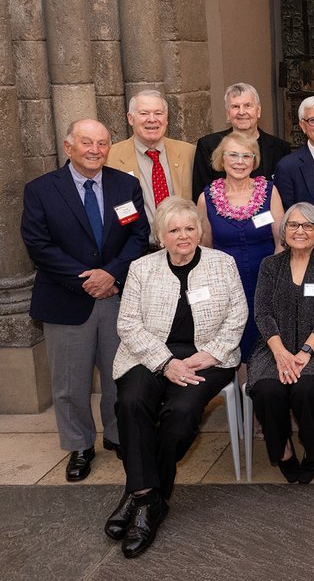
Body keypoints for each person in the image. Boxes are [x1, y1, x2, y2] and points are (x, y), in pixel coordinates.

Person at [107, 196, 246, 558]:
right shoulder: (142, 268)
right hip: (149, 354)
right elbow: (128, 325)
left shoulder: (222, 264)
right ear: (161, 236)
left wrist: (211, 354)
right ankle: (149, 498)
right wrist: (164, 362)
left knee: (181, 415)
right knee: (131, 401)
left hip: (207, 356)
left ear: (200, 231)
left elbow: (237, 315)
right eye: (174, 230)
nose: (183, 236)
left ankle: (139, 491)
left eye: (189, 228)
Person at [21, 119, 148, 482]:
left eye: (103, 143)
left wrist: (112, 274)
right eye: (87, 143)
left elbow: (139, 236)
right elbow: (38, 245)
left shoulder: (126, 185)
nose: (96, 150)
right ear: (68, 146)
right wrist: (87, 279)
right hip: (65, 299)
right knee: (70, 382)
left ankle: (119, 435)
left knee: (120, 375)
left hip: (116, 297)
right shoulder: (41, 190)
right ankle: (79, 445)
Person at [247, 203, 314, 484]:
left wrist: (306, 350)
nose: (300, 231)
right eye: (294, 225)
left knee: (306, 388)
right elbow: (262, 312)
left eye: (308, 225)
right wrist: (281, 353)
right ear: (284, 231)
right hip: (275, 344)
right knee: (267, 388)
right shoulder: (270, 265)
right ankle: (281, 448)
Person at [197, 131, 284, 361]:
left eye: (247, 156)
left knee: (269, 342)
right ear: (221, 159)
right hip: (227, 286)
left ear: (255, 161)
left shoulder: (269, 191)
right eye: (233, 155)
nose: (240, 162)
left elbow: (282, 241)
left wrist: (273, 279)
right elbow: (204, 249)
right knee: (237, 345)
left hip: (267, 282)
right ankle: (242, 393)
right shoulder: (206, 198)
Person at [106, 89, 195, 239]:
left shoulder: (190, 153)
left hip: (184, 246)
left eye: (158, 113)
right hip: (139, 249)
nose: (152, 119)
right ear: (130, 118)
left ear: (167, 118)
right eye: (144, 113)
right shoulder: (110, 157)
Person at [191, 83, 291, 199]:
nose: (242, 112)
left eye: (248, 105)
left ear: (258, 111)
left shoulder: (280, 149)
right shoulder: (209, 146)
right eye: (235, 107)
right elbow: (200, 194)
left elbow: (284, 196)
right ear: (228, 114)